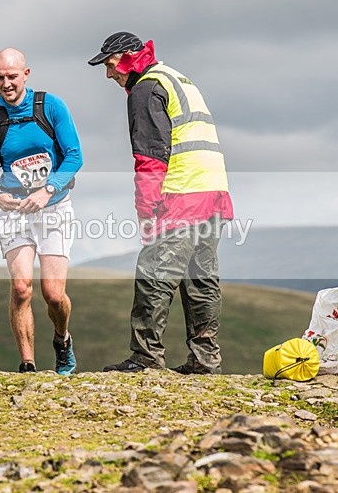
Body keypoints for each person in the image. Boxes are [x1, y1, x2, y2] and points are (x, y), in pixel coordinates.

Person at [88, 32, 234, 374]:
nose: (110, 75)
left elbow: (150, 158)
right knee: (202, 280)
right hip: (212, 190)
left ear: (126, 58)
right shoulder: (177, 78)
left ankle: (145, 358)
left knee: (154, 274)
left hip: (180, 192)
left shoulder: (144, 89)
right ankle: (205, 360)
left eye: (110, 66)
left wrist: (146, 212)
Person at [0, 48, 83, 375]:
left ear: (26, 74)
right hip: (14, 212)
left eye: (12, 77)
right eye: (0, 77)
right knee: (21, 288)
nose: (6, 84)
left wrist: (48, 189)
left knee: (53, 293)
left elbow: (74, 156)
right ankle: (27, 364)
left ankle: (62, 341)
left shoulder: (51, 106)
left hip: (54, 207)